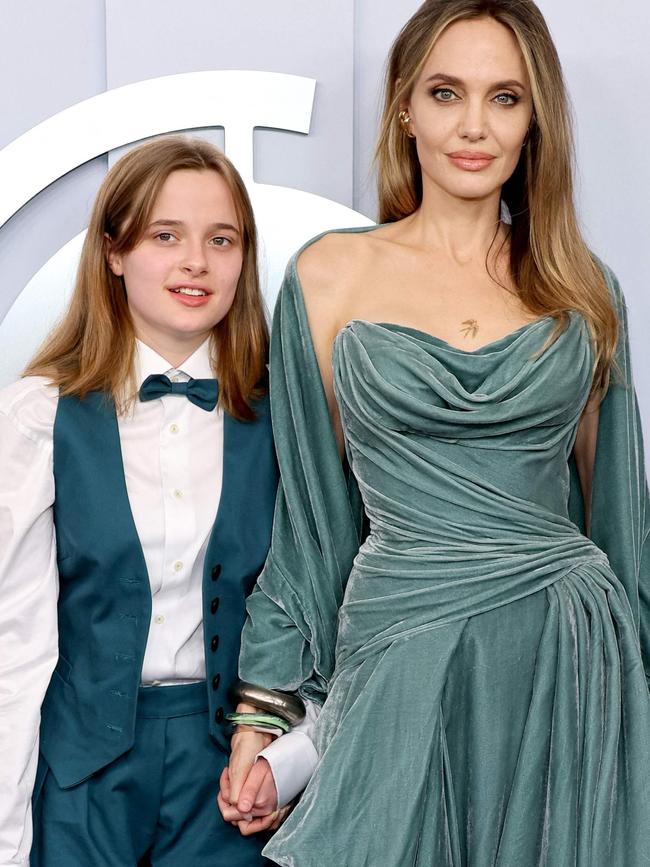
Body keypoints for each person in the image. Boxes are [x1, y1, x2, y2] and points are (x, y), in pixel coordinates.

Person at [219, 1, 650, 864]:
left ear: (536, 122)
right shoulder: (329, 276)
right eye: (447, 92)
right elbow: (311, 529)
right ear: (404, 108)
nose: (474, 127)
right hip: (403, 641)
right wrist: (262, 713)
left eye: (505, 98)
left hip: (565, 654)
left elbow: (620, 521)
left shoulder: (581, 288)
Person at [0, 135, 288, 866]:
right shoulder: (40, 416)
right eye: (167, 235)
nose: (196, 261)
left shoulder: (283, 422)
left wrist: (290, 758)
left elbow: (310, 615)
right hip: (81, 768)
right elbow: (15, 638)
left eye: (221, 239)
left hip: (228, 771)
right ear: (114, 251)